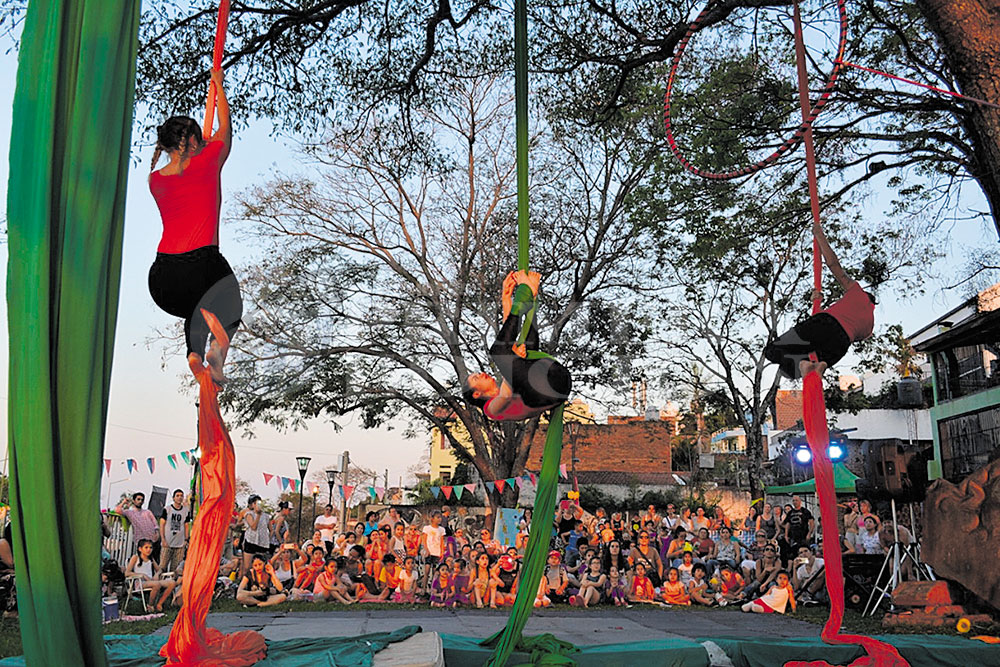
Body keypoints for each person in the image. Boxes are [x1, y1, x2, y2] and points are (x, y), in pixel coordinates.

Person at [148, 68, 241, 386]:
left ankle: (194, 353)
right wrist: (219, 87)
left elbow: (211, 140)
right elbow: (225, 130)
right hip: (201, 265)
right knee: (231, 305)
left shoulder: (155, 180)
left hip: (163, 279)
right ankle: (217, 353)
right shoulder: (209, 159)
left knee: (198, 307)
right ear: (189, 141)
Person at [764, 221, 876, 379]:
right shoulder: (869, 327)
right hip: (840, 345)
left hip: (825, 323)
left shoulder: (858, 292)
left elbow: (833, 264)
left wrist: (819, 234)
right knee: (809, 365)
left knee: (773, 353)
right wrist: (817, 303)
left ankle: (802, 363)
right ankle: (815, 363)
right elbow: (845, 330)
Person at [463, 271, 572, 421]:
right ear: (476, 394)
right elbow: (506, 395)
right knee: (498, 351)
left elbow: (509, 339)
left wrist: (506, 298)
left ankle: (531, 298)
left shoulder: (510, 380)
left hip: (555, 377)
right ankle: (528, 296)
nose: (481, 373)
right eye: (476, 378)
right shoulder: (491, 410)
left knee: (519, 348)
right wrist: (515, 358)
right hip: (546, 391)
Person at [125, 538, 178, 612]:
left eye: (150, 547)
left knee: (172, 583)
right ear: (140, 549)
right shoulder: (135, 558)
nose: (149, 550)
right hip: (140, 582)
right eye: (146, 547)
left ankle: (159, 604)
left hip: (152, 581)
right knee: (157, 584)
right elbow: (127, 573)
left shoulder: (151, 559)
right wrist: (142, 575)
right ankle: (150, 605)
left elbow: (159, 569)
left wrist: (157, 574)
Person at [117, 492, 162, 564]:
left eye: (142, 500)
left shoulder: (147, 512)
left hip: (153, 540)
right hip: (141, 541)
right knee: (142, 561)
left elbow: (155, 523)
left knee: (154, 561)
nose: (140, 501)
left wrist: (157, 533)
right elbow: (118, 510)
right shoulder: (130, 512)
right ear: (134, 501)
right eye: (138, 499)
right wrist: (124, 502)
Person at [158, 488, 191, 574]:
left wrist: (186, 539)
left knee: (176, 567)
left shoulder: (186, 510)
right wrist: (163, 539)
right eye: (177, 496)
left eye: (181, 496)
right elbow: (162, 524)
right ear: (173, 498)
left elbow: (186, 525)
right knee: (162, 566)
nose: (179, 498)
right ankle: (161, 583)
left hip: (180, 543)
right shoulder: (167, 509)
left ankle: (172, 584)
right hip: (167, 542)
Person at [241, 495, 271, 576]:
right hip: (251, 541)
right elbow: (253, 527)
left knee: (261, 567)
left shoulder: (266, 516)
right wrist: (258, 515)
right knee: (247, 567)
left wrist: (268, 539)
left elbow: (271, 529)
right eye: (255, 503)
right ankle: (245, 584)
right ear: (252, 505)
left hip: (262, 543)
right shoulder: (249, 514)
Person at [420, 511, 446, 592]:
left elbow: (441, 541)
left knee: (435, 572)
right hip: (429, 552)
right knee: (427, 570)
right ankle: (423, 589)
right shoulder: (427, 528)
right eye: (437, 517)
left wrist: (442, 552)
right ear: (432, 518)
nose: (439, 519)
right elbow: (424, 539)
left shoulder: (441, 529)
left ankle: (433, 589)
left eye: (440, 517)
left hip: (437, 552)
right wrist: (426, 550)